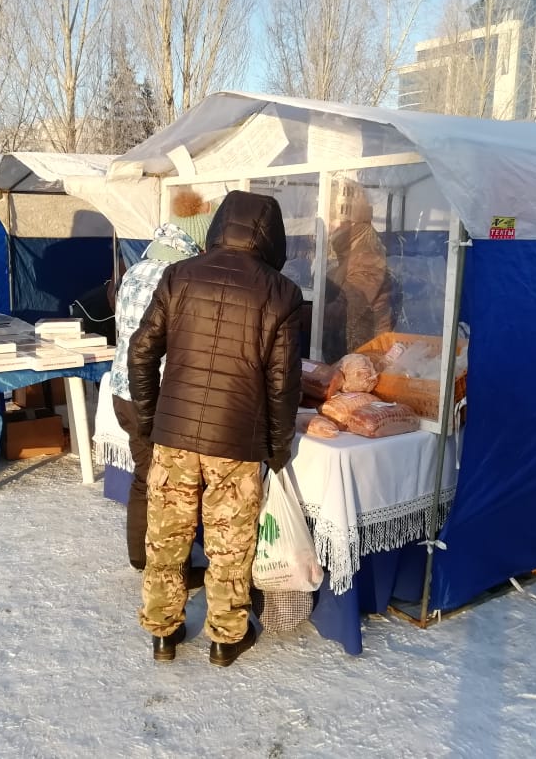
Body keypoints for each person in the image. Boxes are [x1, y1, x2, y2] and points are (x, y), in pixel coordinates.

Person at [128, 190, 303, 667]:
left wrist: (149, 420)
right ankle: (225, 640)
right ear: (272, 234)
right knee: (230, 545)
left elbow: (141, 352)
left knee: (166, 539)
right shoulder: (282, 293)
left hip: (173, 435)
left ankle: (163, 633)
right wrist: (278, 448)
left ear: (221, 223)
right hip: (236, 440)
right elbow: (283, 384)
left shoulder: (178, 276)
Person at [111, 224, 201, 574]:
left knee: (144, 473)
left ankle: (141, 556)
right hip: (156, 391)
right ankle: (164, 567)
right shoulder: (176, 280)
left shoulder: (134, 270)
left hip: (123, 389)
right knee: (166, 484)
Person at [322, 178, 400, 362]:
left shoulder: (367, 258)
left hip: (359, 360)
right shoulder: (352, 253)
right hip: (348, 356)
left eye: (334, 219)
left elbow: (346, 308)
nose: (330, 226)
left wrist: (299, 309)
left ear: (354, 223)